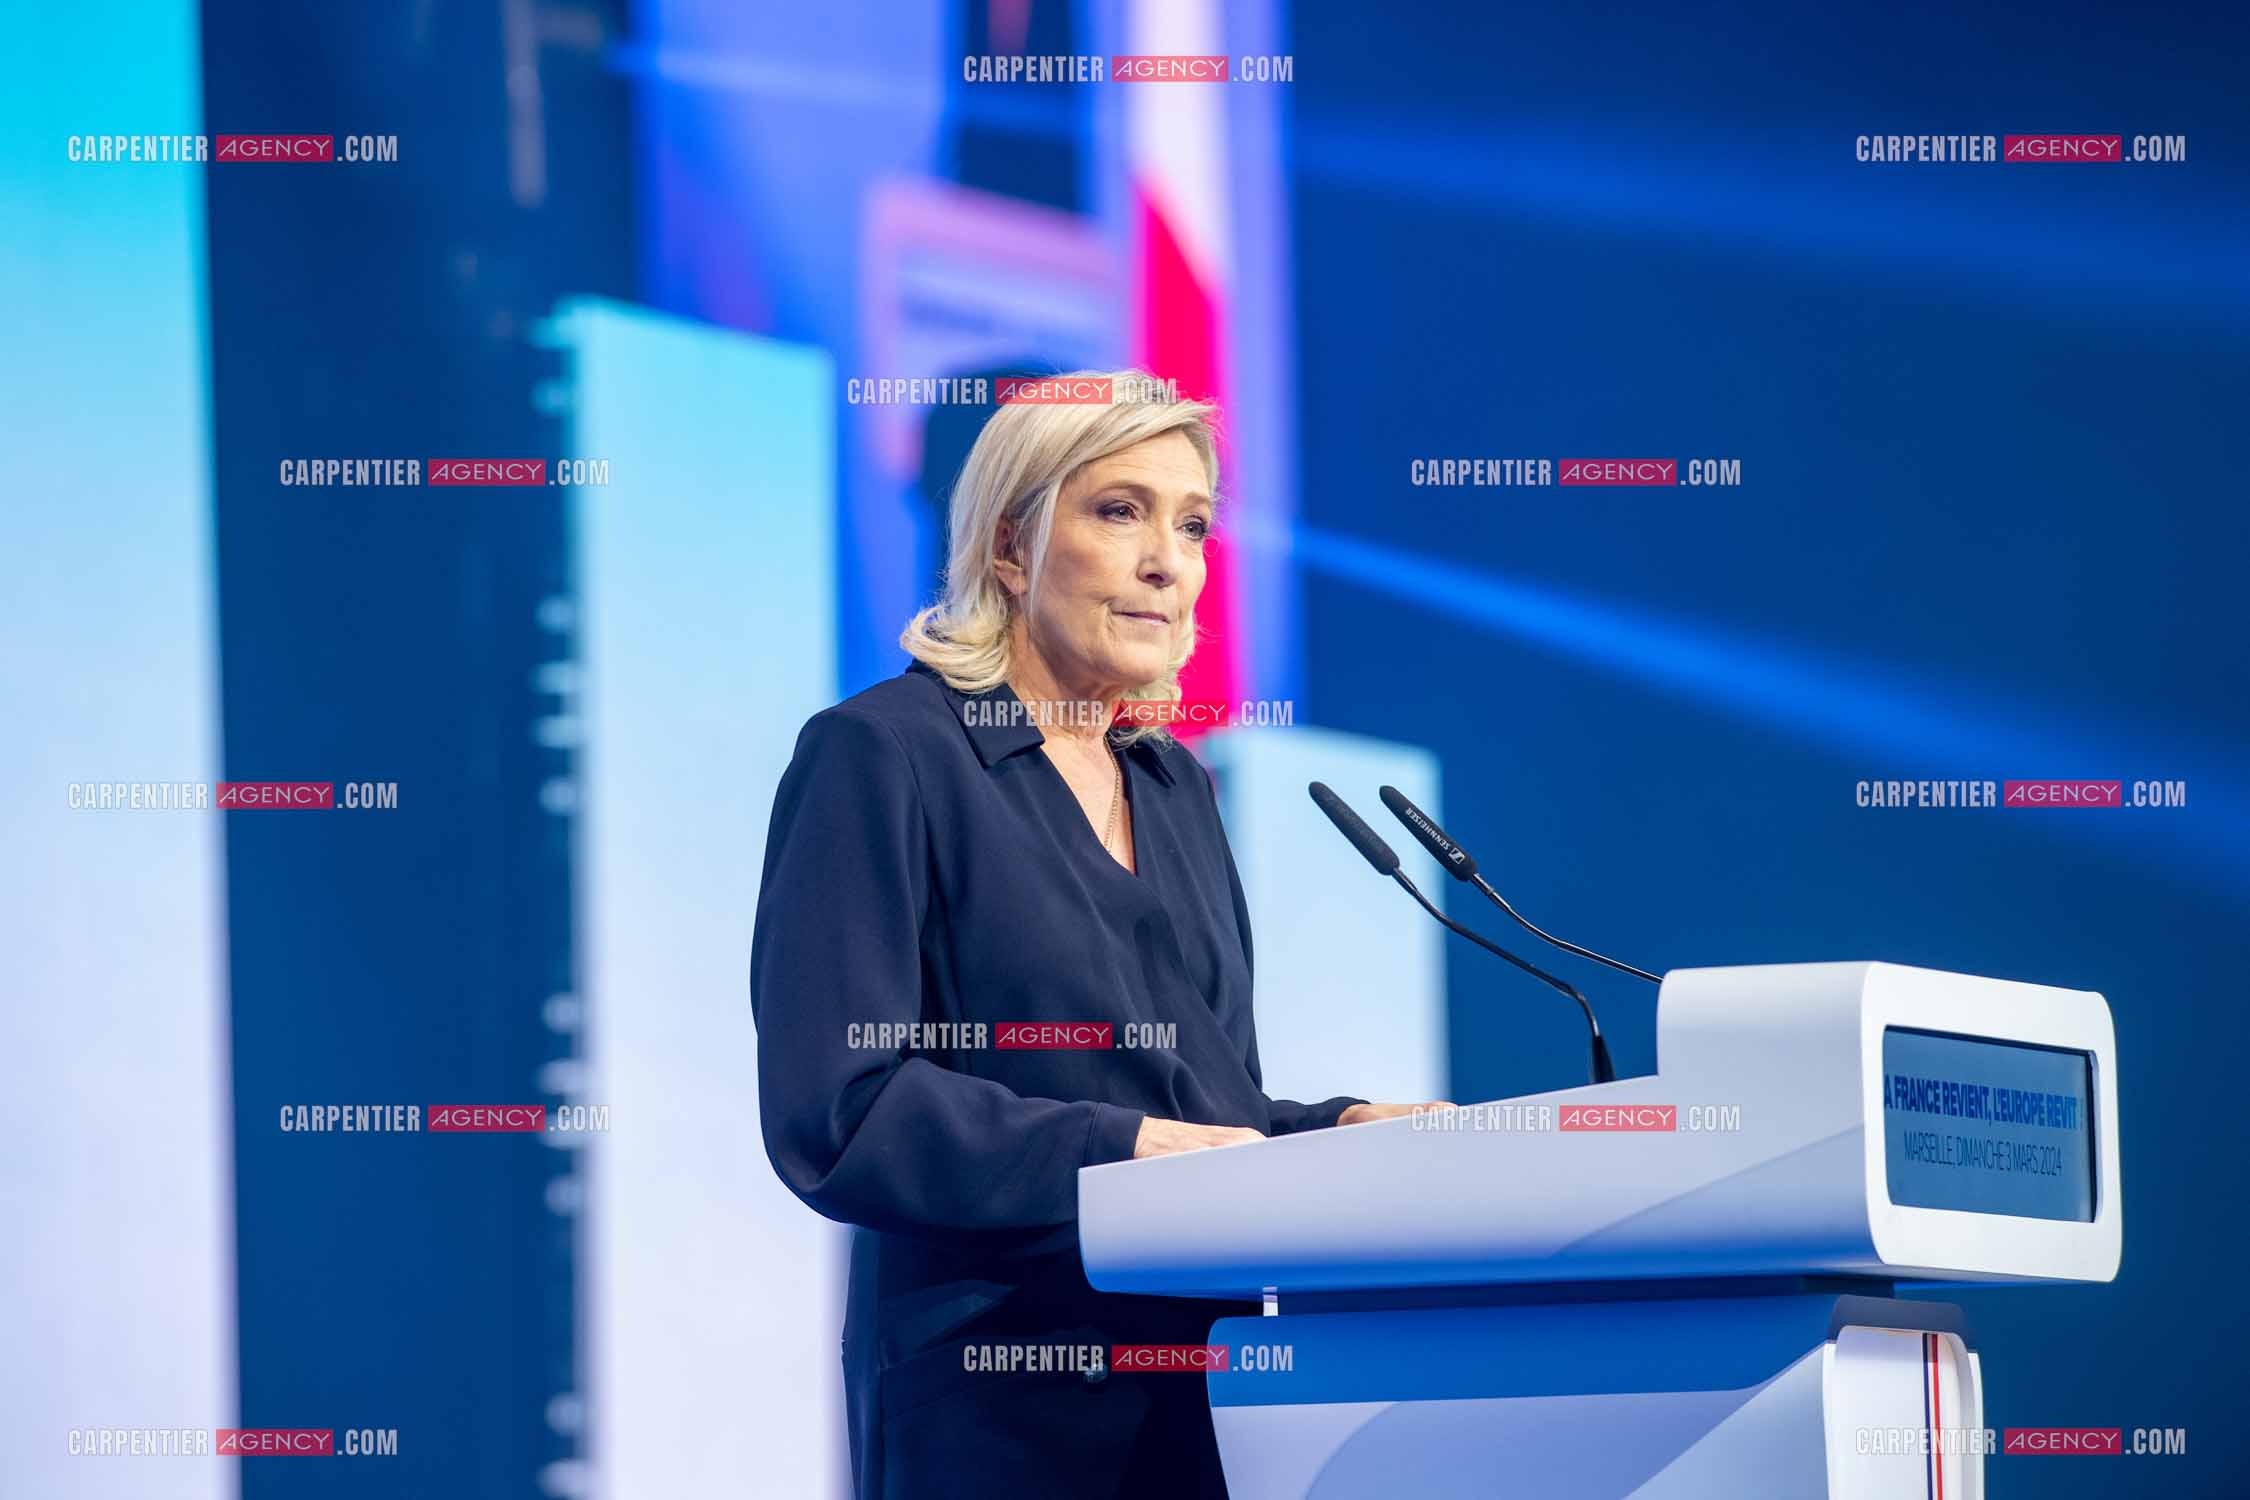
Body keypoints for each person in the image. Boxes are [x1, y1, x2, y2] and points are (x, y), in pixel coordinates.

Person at [751, 371, 1431, 1497]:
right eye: (1121, 511)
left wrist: (1347, 1131)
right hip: (999, 1405)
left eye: (1195, 524)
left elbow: (1203, 1111)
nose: (1171, 560)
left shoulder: (1174, 786)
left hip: (1205, 1391)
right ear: (1013, 548)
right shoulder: (886, 754)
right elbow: (840, 1107)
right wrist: (1115, 1154)